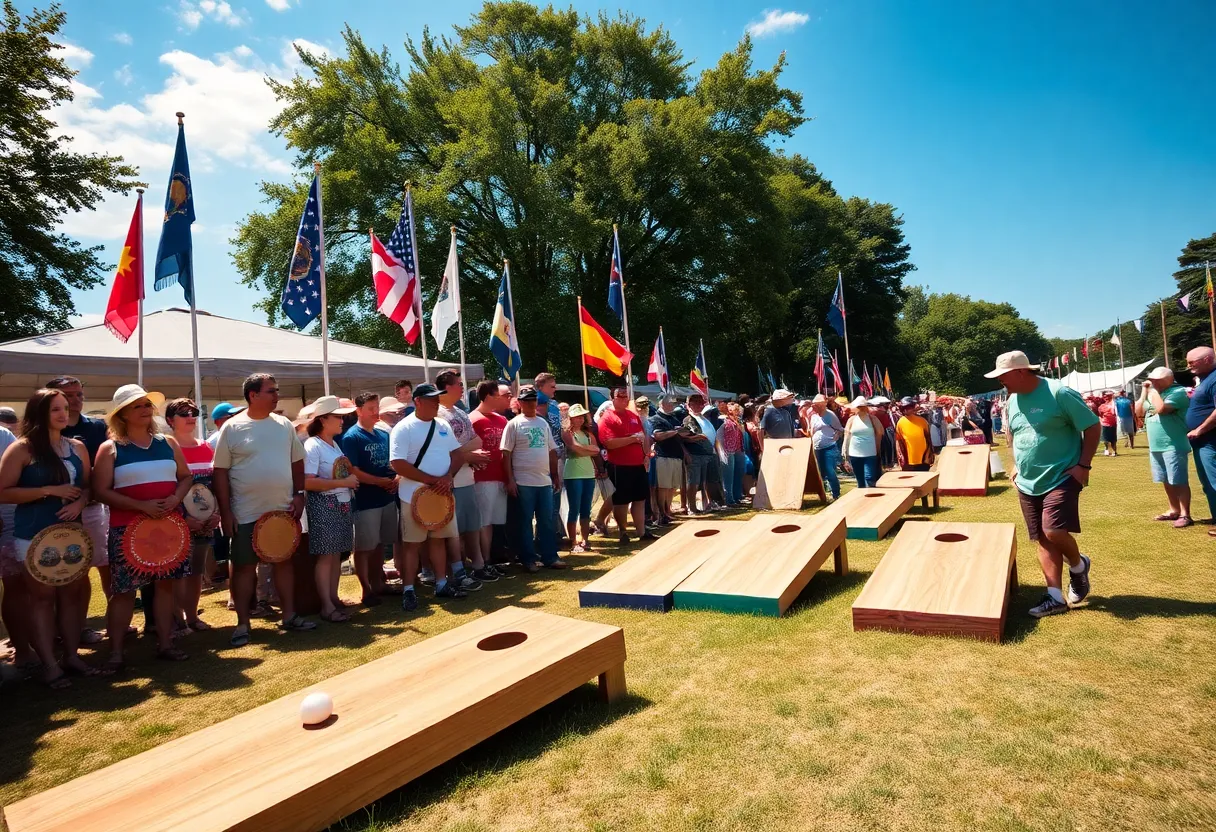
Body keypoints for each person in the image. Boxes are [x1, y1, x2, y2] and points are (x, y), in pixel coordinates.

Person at [986, 350, 1098, 618]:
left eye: (1004, 375)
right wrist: (1015, 464)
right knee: (1042, 538)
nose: (1001, 380)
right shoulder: (1012, 400)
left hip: (1062, 475)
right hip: (1027, 481)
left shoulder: (1059, 393)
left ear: (1023, 371)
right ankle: (1055, 597)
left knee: (1054, 531)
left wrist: (1083, 465)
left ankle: (1078, 565)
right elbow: (1015, 435)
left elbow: (1092, 426)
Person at [0, 389, 99, 687]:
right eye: (55, 409)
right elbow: (3, 492)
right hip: (33, 536)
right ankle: (49, 665)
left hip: (72, 536)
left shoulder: (77, 447)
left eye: (66, 408)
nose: (63, 414)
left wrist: (80, 502)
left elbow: (88, 486)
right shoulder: (22, 449)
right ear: (39, 413)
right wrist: (49, 491)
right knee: (41, 600)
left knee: (71, 596)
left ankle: (71, 655)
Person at [93, 384, 196, 667]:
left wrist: (175, 497)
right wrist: (141, 507)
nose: (145, 409)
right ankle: (115, 652)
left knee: (165, 588)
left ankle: (166, 643)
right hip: (127, 530)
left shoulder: (168, 443)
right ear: (122, 414)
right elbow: (100, 490)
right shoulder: (110, 448)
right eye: (137, 405)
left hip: (168, 528)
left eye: (146, 404)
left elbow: (185, 477)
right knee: (124, 591)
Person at [212, 373, 316, 646]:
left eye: (277, 390)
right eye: (271, 391)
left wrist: (299, 494)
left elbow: (297, 463)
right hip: (245, 512)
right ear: (253, 395)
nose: (276, 395)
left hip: (282, 509)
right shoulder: (232, 428)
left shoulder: (283, 425)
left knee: (283, 563)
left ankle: (289, 616)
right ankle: (243, 624)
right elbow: (220, 472)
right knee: (245, 567)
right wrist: (226, 512)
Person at [389, 383, 471, 610]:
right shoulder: (403, 428)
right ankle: (409, 590)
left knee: (438, 540)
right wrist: (434, 480)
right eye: (432, 399)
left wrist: (447, 477)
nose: (436, 402)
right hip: (413, 496)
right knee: (412, 545)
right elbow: (397, 463)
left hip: (441, 495)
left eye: (437, 399)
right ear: (418, 401)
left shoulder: (442, 424)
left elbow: (457, 455)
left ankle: (442, 584)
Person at [44, 376, 111, 644]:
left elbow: (104, 471)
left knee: (104, 564)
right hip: (52, 513)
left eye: (79, 395)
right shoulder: (36, 436)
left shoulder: (96, 427)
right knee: (69, 571)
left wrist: (86, 495)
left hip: (94, 508)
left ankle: (115, 620)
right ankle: (71, 629)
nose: (74, 401)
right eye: (68, 396)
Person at [303, 396, 360, 623]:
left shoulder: (333, 444)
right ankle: (326, 605)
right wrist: (343, 483)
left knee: (335, 556)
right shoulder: (313, 446)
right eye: (337, 417)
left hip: (339, 504)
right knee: (327, 557)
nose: (342, 421)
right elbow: (307, 482)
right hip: (324, 506)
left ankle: (333, 599)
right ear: (323, 420)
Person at [165, 398, 220, 631]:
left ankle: (192, 617)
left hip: (206, 522)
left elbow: (216, 484)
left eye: (194, 412)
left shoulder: (207, 446)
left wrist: (216, 512)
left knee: (197, 570)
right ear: (170, 420)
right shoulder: (167, 449)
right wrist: (184, 518)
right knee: (177, 572)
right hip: (178, 521)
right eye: (183, 413)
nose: (190, 417)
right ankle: (176, 619)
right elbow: (167, 487)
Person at [435, 370, 493, 588]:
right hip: (450, 480)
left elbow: (477, 440)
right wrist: (466, 455)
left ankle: (478, 566)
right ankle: (457, 570)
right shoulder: (438, 414)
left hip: (467, 477)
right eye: (459, 384)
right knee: (453, 530)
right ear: (446, 387)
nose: (462, 388)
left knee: (472, 525)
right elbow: (443, 450)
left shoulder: (460, 412)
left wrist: (464, 453)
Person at [500, 386, 566, 571]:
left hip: (543, 481)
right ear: (520, 403)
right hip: (523, 481)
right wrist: (510, 480)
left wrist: (554, 475)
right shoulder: (513, 424)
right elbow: (506, 454)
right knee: (525, 522)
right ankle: (528, 559)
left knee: (546, 521)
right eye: (527, 401)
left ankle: (549, 557)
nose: (530, 404)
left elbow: (552, 451)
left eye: (533, 401)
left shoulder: (543, 423)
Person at [341, 392, 399, 605]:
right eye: (371, 409)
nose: (376, 413)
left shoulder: (383, 434)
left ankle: (379, 583)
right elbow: (353, 470)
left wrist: (395, 480)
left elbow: (393, 463)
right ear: (359, 411)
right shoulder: (351, 437)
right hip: (365, 501)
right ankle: (366, 589)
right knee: (364, 547)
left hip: (386, 498)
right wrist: (379, 481)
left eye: (377, 408)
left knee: (379, 545)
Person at [1135, 368, 1191, 527]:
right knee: (1166, 479)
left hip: (1173, 444)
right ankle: (1174, 510)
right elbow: (1138, 412)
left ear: (1168, 380)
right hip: (1156, 445)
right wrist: (1143, 393)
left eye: (1156, 380)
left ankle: (1185, 514)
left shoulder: (1178, 392)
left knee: (1178, 480)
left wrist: (1152, 392)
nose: (1153, 382)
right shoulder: (1152, 392)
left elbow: (1161, 409)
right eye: (1152, 380)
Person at [470, 381, 511, 569]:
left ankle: (494, 556)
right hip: (481, 478)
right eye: (496, 395)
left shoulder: (502, 420)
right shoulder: (473, 420)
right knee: (484, 522)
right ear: (487, 397)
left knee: (496, 521)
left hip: (500, 476)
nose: (500, 399)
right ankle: (484, 560)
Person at [1185, 347, 1216, 535]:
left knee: (1214, 480)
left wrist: (1200, 429)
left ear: (1207, 359)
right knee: (1207, 482)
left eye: (1191, 362)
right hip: (1201, 441)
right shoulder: (1206, 380)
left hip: (1210, 439)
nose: (1188, 367)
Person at [561, 403, 600, 553]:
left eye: (581, 417)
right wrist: (588, 450)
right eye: (576, 417)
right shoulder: (567, 432)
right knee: (574, 508)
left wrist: (584, 450)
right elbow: (574, 448)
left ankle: (585, 539)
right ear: (570, 418)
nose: (579, 420)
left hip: (588, 473)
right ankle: (573, 541)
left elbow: (596, 450)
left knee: (586, 509)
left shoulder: (588, 434)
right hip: (573, 474)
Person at [534, 373, 567, 545]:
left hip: (558, 454)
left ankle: (553, 533)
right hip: (546, 457)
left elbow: (561, 429)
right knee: (550, 499)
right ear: (541, 386)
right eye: (552, 386)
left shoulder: (553, 403)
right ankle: (545, 538)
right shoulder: (538, 402)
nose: (555, 388)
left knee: (555, 497)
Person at [682, 393, 718, 514]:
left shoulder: (704, 418)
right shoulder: (689, 419)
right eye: (695, 402)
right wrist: (700, 437)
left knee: (706, 481)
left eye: (700, 402)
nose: (699, 405)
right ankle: (692, 507)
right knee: (694, 482)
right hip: (695, 454)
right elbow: (690, 435)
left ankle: (708, 503)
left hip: (707, 453)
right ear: (689, 405)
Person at [808, 395, 844, 500]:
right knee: (821, 473)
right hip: (817, 449)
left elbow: (840, 429)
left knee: (830, 471)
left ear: (821, 405)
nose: (813, 407)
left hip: (829, 448)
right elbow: (812, 431)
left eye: (815, 405)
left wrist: (836, 437)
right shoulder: (814, 417)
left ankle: (835, 494)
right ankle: (824, 494)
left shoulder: (830, 415)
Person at [843, 396, 883, 488]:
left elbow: (880, 433)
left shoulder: (873, 419)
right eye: (859, 407)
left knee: (869, 477)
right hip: (854, 453)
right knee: (860, 479)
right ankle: (862, 498)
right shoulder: (851, 420)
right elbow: (847, 434)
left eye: (862, 407)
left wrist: (878, 448)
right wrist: (845, 449)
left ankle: (870, 497)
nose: (861, 409)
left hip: (870, 453)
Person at [894, 397, 934, 472]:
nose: (907, 410)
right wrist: (900, 455)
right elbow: (898, 441)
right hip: (908, 458)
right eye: (904, 408)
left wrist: (929, 455)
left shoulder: (922, 421)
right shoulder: (900, 422)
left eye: (909, 407)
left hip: (923, 458)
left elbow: (928, 440)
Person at [720, 402, 747, 506]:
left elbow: (743, 432)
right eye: (733, 410)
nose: (736, 412)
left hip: (738, 449)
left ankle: (737, 496)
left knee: (738, 474)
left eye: (737, 410)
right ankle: (728, 499)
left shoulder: (737, 421)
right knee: (728, 476)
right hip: (727, 449)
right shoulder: (723, 419)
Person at [1097, 391, 1119, 457]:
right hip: (1105, 424)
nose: (1106, 398)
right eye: (1105, 397)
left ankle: (1114, 452)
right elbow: (1100, 414)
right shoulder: (1102, 406)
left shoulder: (1114, 405)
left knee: (1113, 439)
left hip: (1112, 424)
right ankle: (1107, 450)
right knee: (1106, 439)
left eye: (1108, 397)